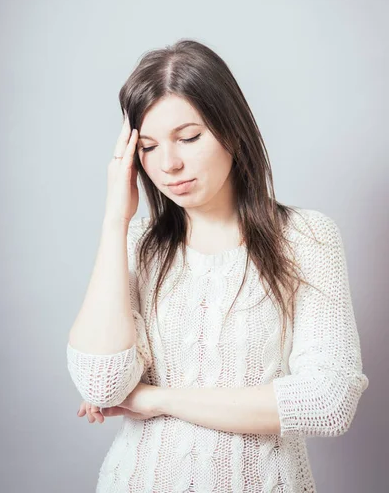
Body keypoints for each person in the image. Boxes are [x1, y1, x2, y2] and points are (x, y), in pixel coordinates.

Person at [66, 39, 369, 492]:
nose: (169, 164)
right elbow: (103, 383)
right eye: (148, 147)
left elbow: (329, 401)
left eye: (189, 137)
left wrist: (156, 399)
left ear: (232, 129)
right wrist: (115, 220)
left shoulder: (306, 238)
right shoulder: (136, 244)